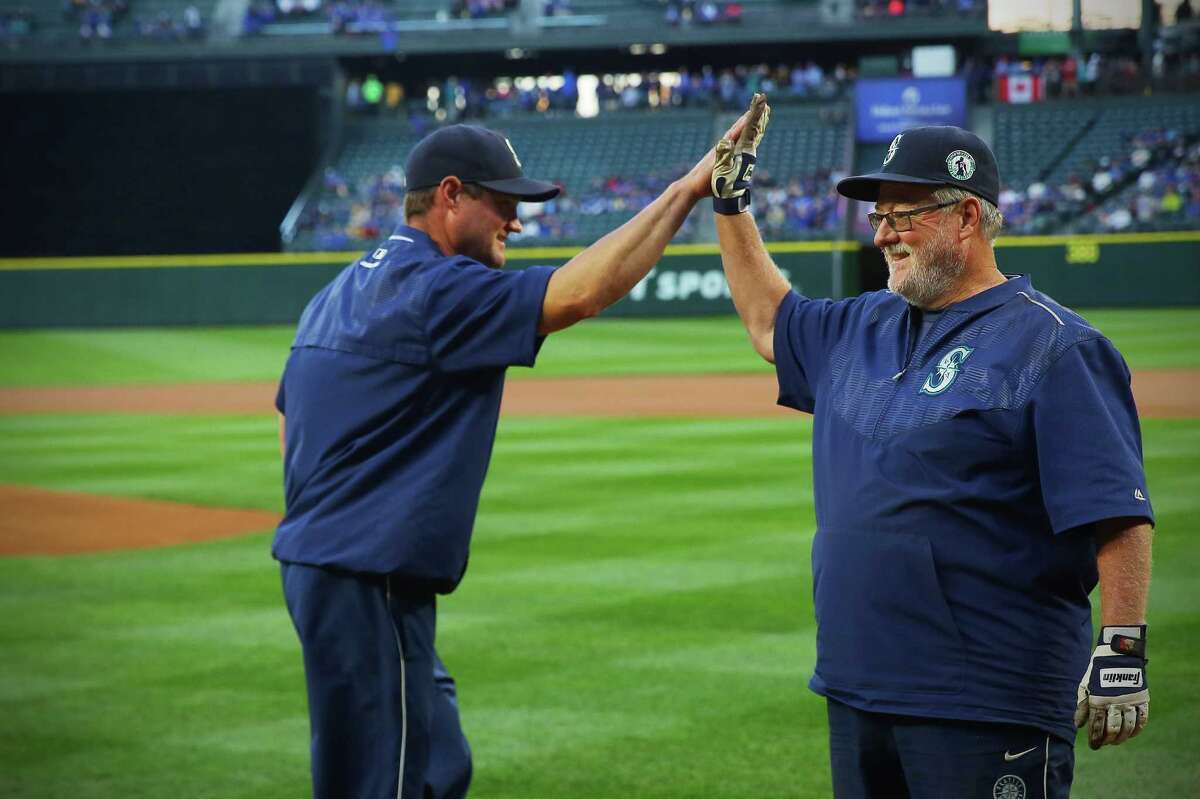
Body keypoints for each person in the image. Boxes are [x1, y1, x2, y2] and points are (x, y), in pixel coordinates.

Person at [274, 110, 759, 799]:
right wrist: (686, 191)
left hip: (329, 569)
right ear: (450, 196)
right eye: (503, 203)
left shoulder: (334, 294)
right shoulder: (434, 288)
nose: (517, 220)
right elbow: (582, 291)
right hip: (366, 573)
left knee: (434, 759)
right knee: (395, 779)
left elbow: (293, 419)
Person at [712, 104, 1154, 798]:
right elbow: (770, 320)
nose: (884, 233)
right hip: (858, 688)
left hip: (986, 698)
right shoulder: (859, 323)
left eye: (903, 214)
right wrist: (731, 202)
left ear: (968, 217)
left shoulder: (1056, 345)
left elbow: (1116, 509)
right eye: (878, 217)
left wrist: (1122, 643)